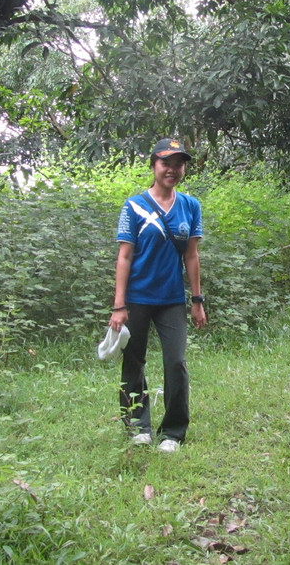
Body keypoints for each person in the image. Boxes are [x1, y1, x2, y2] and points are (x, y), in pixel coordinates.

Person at [110, 138, 207, 453]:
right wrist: (119, 305)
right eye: (166, 163)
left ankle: (173, 433)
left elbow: (191, 255)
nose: (172, 170)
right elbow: (125, 256)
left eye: (179, 164)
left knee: (176, 362)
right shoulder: (134, 205)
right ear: (153, 165)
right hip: (137, 297)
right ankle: (138, 427)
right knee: (133, 361)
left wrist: (197, 300)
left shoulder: (190, 206)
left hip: (172, 299)